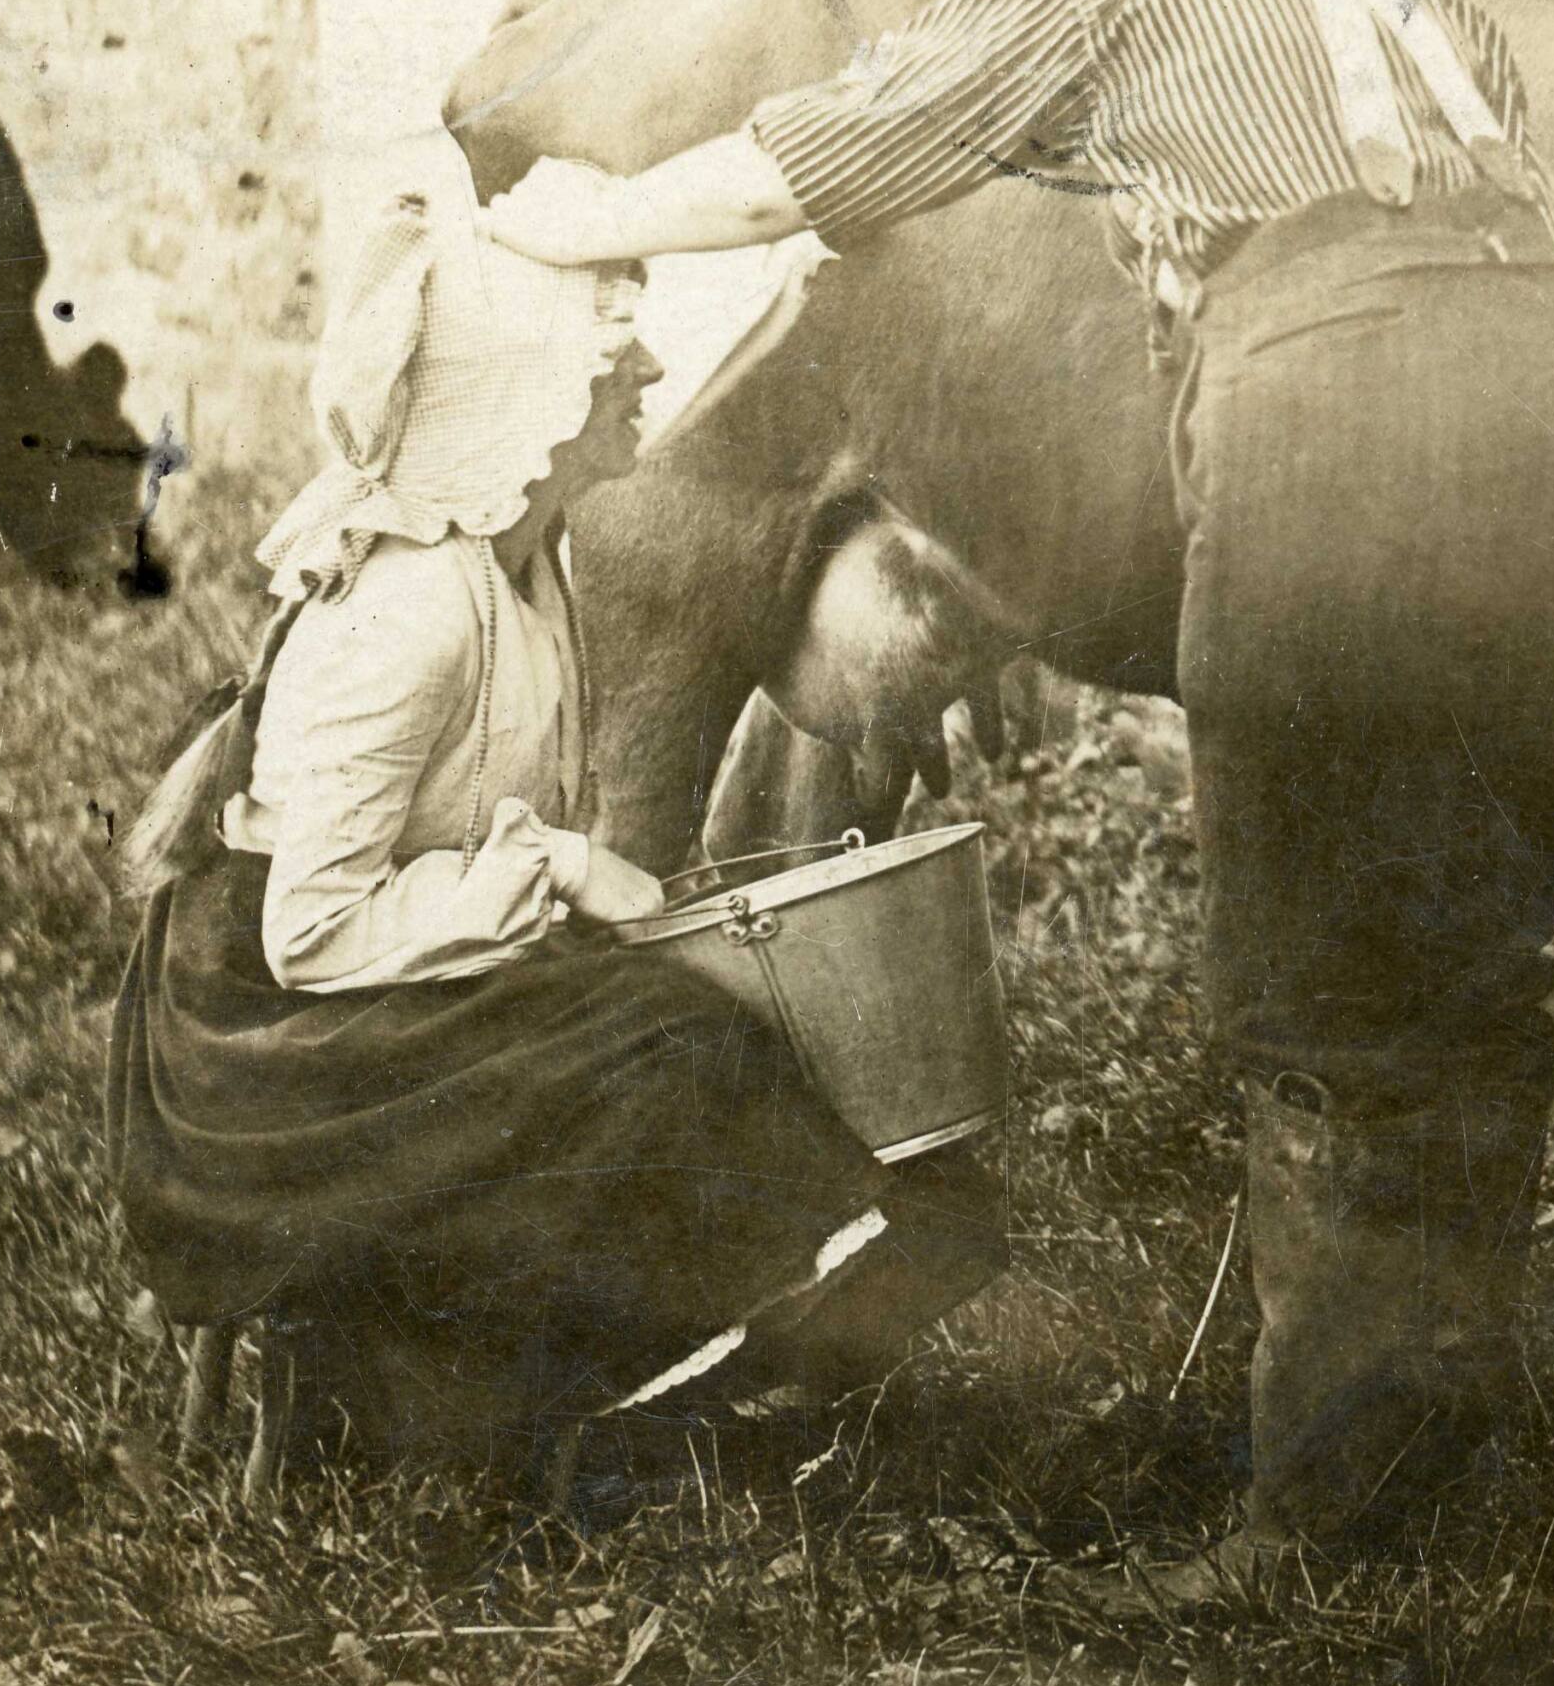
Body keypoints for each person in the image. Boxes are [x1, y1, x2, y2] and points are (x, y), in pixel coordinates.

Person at [485, 0, 1554, 1606]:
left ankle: (1324, 1532)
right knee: (1467, 963)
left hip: (1342, 420)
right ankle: (1450, 1442)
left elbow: (809, 164)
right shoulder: (1420, 4)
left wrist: (580, 222)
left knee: (1315, 991)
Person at [106, 135, 1002, 1474]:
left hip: (377, 964)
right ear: (523, 395)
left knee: (681, 1024)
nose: (649, 373)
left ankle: (685, 1352)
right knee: (663, 1056)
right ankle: (465, 1392)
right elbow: (309, 930)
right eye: (610, 356)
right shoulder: (410, 612)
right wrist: (564, 870)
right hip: (262, 1046)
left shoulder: (526, 569)